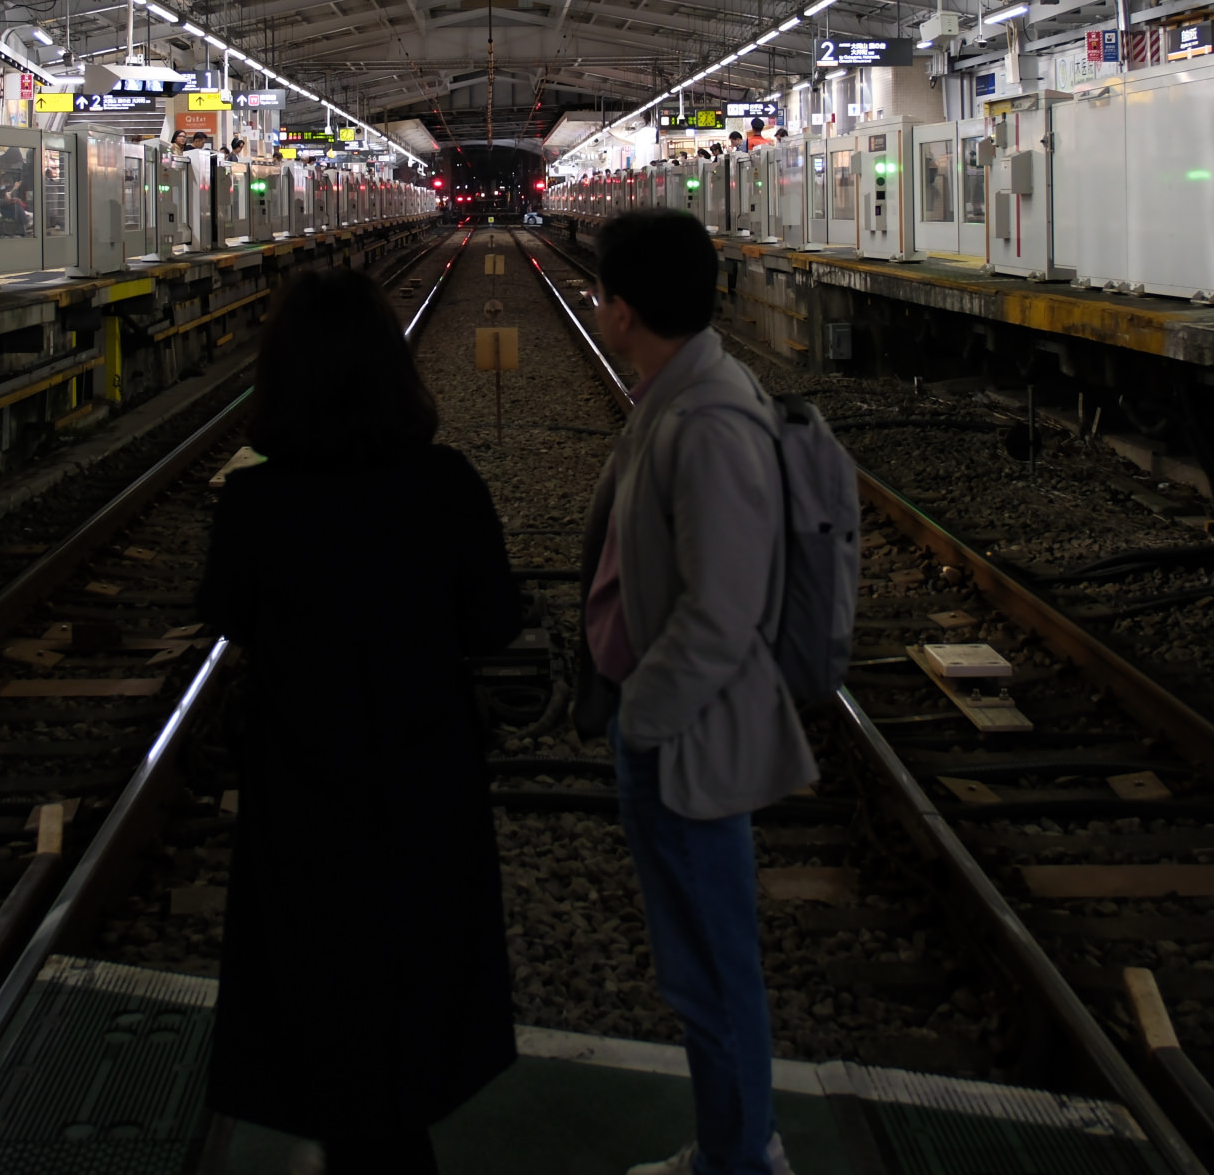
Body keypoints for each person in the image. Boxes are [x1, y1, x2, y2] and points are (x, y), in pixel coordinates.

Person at [201, 267, 523, 1173]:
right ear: (394, 371)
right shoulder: (447, 486)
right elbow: (494, 622)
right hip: (425, 774)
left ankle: (350, 1132)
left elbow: (225, 613)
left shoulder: (254, 502)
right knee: (419, 963)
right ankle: (398, 1130)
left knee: (318, 966)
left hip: (300, 781)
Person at [574, 208, 815, 1175]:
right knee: (699, 967)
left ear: (624, 310)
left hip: (687, 738)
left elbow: (722, 611)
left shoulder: (707, 419)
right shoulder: (677, 394)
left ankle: (743, 1159)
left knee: (714, 971)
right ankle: (732, 1145)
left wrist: (645, 717)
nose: (596, 308)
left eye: (601, 294)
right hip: (672, 728)